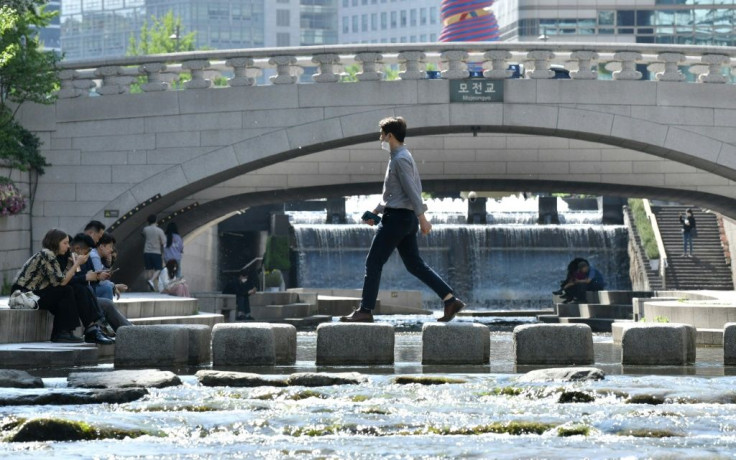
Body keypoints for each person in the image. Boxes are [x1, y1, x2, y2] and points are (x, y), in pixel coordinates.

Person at [341, 116, 466, 323]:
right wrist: (376, 211)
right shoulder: (402, 156)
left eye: (382, 134)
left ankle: (365, 310)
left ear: (390, 135)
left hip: (398, 219)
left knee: (373, 262)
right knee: (414, 265)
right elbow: (394, 194)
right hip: (403, 218)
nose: (380, 138)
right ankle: (449, 299)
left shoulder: (399, 159)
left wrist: (423, 219)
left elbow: (413, 191)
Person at [11, 229, 106, 343]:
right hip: (25, 294)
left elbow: (61, 280)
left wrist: (72, 264)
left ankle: (88, 329)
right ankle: (62, 332)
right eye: (65, 243)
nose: (68, 247)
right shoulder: (47, 254)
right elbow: (62, 282)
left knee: (75, 289)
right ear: (55, 243)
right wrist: (76, 264)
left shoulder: (54, 256)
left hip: (38, 292)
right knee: (66, 291)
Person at [142, 214, 166, 291]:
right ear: (156, 220)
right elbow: (163, 242)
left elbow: (143, 235)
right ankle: (151, 280)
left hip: (147, 251)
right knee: (159, 268)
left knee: (148, 268)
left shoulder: (145, 229)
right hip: (156, 252)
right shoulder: (159, 231)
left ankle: (149, 285)